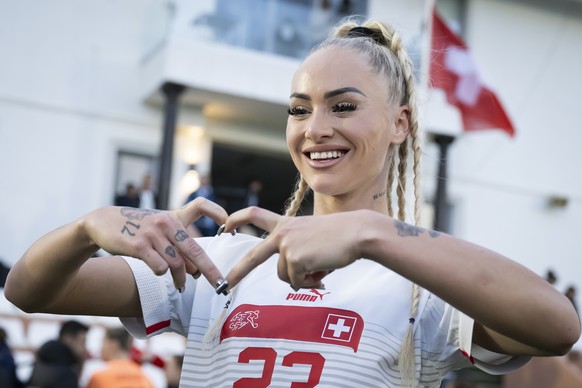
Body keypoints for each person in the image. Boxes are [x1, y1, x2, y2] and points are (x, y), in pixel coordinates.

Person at [4, 18, 580, 388]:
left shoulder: (418, 284)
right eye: (300, 109)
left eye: (344, 106)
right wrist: (87, 228)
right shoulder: (222, 259)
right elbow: (28, 291)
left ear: (400, 123)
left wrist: (369, 235)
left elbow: (557, 326)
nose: (315, 129)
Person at [28, 320, 88, 388]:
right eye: (82, 342)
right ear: (68, 339)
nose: (85, 348)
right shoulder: (66, 375)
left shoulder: (45, 361)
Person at [86, 327, 153, 388]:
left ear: (113, 344)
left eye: (103, 343)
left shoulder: (99, 377)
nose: (100, 349)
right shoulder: (145, 378)